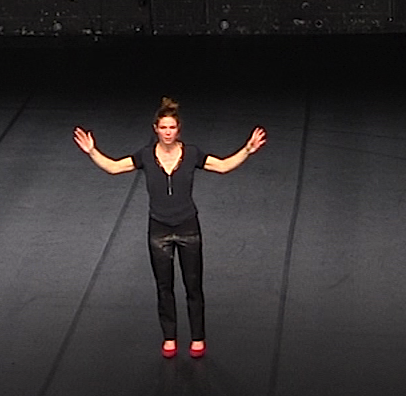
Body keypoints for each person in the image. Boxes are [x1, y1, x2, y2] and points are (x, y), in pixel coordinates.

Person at [73, 97, 266, 358]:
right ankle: (169, 337)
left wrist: (247, 149)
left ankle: (197, 338)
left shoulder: (192, 154)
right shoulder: (145, 155)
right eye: (163, 127)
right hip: (159, 230)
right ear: (155, 129)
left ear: (178, 129)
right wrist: (92, 151)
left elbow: (222, 166)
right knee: (164, 287)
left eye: (172, 128)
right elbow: (114, 167)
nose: (167, 132)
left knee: (193, 286)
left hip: (188, 228)